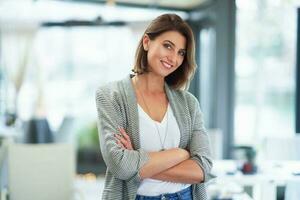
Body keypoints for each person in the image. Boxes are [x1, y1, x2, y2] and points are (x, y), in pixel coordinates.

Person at [95, 13, 215, 200]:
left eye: (181, 53)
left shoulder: (189, 103)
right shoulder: (110, 96)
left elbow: (202, 169)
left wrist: (138, 163)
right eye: (168, 46)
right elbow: (119, 165)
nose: (173, 58)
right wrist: (181, 154)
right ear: (146, 42)